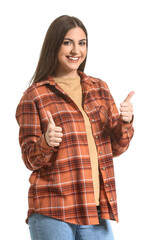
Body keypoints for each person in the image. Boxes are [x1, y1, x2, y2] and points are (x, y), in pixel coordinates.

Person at [16, 15, 134, 240]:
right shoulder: (35, 96)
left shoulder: (99, 89)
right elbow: (29, 159)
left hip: (96, 212)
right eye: (67, 42)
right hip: (53, 212)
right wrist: (46, 142)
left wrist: (125, 123)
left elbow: (115, 149)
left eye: (82, 43)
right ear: (54, 45)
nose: (76, 50)